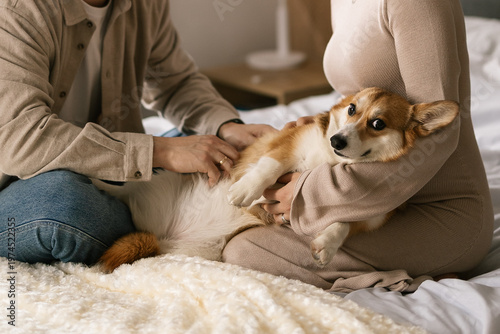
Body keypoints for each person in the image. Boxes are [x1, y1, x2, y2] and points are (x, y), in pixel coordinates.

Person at [222, 0, 495, 293]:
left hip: (435, 211)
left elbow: (439, 138)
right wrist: (326, 125)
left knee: (245, 252)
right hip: (365, 196)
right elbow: (358, 94)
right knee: (239, 231)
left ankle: (404, 279)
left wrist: (312, 192)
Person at [0, 0, 273, 265]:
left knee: (212, 152)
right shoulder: (18, 9)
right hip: (21, 182)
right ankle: (150, 223)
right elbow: (21, 137)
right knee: (63, 202)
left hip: (113, 173)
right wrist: (159, 151)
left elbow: (175, 83)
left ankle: (148, 221)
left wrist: (226, 127)